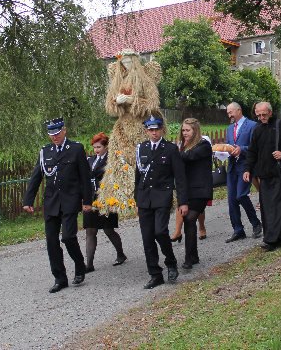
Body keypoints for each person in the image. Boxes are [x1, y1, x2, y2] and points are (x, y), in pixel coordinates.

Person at [22, 118, 93, 294]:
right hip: (52, 202)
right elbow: (36, 176)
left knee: (68, 237)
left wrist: (87, 201)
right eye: (51, 134)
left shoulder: (76, 149)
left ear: (64, 131)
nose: (54, 137)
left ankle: (79, 264)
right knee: (51, 242)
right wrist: (28, 200)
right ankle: (60, 278)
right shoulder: (45, 152)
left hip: (70, 201)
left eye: (57, 133)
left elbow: (85, 177)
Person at [135, 116, 188, 289]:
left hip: (162, 197)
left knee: (160, 232)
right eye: (151, 130)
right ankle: (155, 274)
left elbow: (180, 177)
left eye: (156, 129)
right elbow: (138, 177)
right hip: (144, 198)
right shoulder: (141, 148)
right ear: (146, 131)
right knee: (147, 237)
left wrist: (183, 202)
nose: (154, 133)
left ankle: (171, 262)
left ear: (162, 130)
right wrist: (137, 200)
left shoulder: (170, 149)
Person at [243, 102, 281, 252]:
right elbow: (252, 152)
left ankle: (273, 239)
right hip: (265, 175)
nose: (261, 117)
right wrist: (247, 169)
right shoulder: (257, 129)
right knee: (269, 208)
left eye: (264, 114)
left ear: (270, 112)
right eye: (258, 115)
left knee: (280, 206)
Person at [83, 133, 127, 272]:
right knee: (90, 230)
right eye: (94, 147)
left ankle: (120, 254)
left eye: (99, 147)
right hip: (91, 199)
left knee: (108, 230)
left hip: (107, 199)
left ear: (106, 146)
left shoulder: (112, 160)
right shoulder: (90, 160)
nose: (96, 150)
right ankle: (89, 264)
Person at [176, 118, 213, 270]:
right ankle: (193, 256)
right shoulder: (181, 146)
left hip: (201, 190)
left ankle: (188, 258)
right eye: (183, 130)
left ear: (195, 130)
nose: (185, 133)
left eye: (188, 130)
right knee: (188, 220)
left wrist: (171, 153)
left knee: (190, 218)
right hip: (187, 190)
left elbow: (189, 156)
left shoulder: (203, 145)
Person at [223, 102, 262, 243]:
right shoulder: (229, 128)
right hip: (232, 166)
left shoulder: (252, 125)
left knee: (241, 195)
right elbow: (229, 145)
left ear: (239, 110)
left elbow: (255, 146)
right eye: (228, 113)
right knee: (232, 199)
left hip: (246, 166)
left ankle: (256, 223)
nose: (229, 115)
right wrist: (224, 151)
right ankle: (238, 230)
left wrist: (242, 149)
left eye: (231, 112)